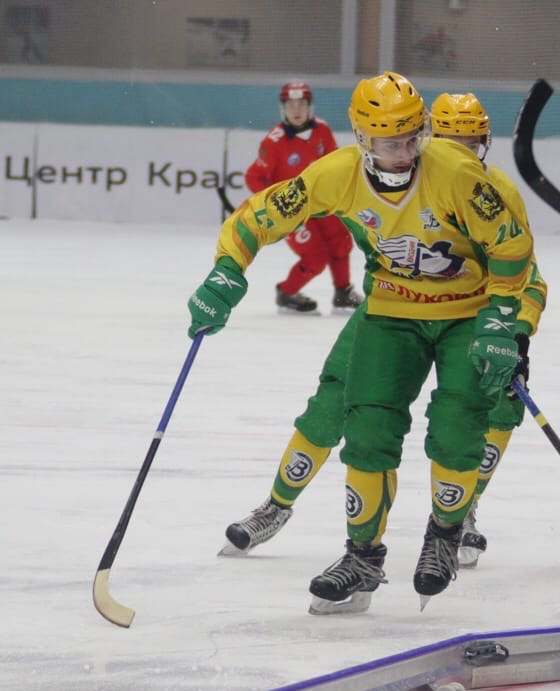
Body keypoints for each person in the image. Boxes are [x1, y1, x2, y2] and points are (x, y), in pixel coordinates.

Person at [187, 73, 535, 615]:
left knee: (458, 424)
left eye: (410, 139)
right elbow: (260, 215)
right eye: (386, 142)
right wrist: (228, 270)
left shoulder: (458, 174)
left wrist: (505, 319)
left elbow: (512, 247)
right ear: (361, 138)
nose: (401, 154)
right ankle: (362, 555)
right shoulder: (338, 174)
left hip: (466, 312)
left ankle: (445, 533)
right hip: (391, 310)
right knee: (367, 426)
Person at [243, 79, 360, 314]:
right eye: (291, 105)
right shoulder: (273, 142)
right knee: (315, 258)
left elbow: (334, 165)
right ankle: (286, 293)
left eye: (301, 104)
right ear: (283, 108)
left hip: (322, 202)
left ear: (310, 106)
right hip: (292, 210)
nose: (296, 110)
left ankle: (343, 292)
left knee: (341, 242)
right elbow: (253, 177)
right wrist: (275, 206)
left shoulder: (322, 130)